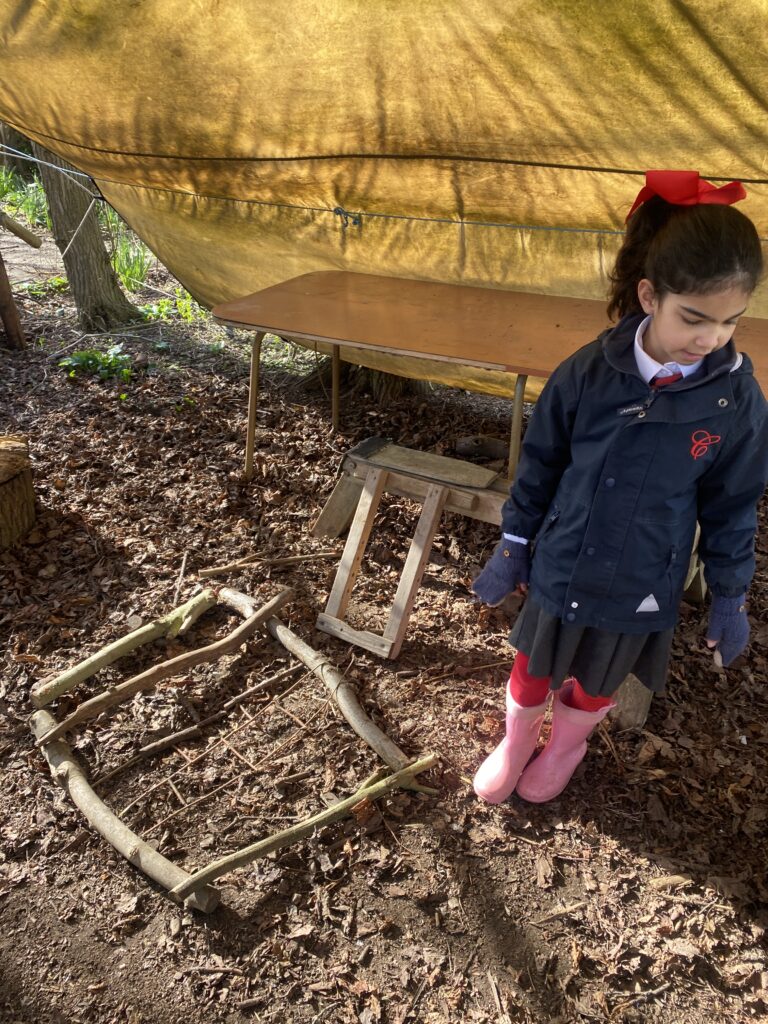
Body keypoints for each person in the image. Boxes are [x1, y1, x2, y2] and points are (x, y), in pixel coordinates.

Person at [471, 169, 768, 805]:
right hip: (564, 561)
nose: (710, 338)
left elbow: (732, 507)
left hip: (643, 576)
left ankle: (565, 746)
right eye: (694, 317)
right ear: (649, 295)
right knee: (533, 666)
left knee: (598, 679)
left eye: (730, 322)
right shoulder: (587, 372)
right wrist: (514, 543)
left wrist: (729, 596)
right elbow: (541, 463)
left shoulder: (736, 401)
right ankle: (518, 738)